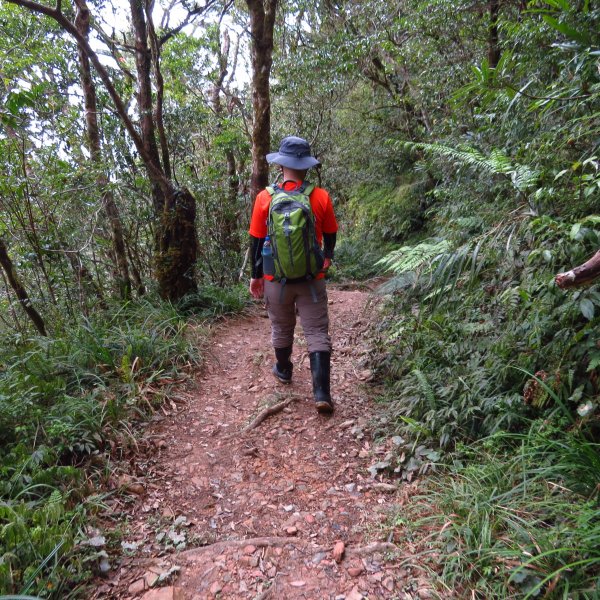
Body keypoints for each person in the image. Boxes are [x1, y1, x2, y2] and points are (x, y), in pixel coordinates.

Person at [248, 136, 338, 413]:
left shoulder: (265, 198)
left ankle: (284, 369)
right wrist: (327, 259)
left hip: (277, 279)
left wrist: (257, 276)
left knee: (281, 326)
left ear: (281, 165)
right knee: (316, 331)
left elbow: (256, 241)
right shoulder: (320, 196)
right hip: (312, 279)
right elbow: (331, 235)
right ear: (307, 166)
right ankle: (321, 392)